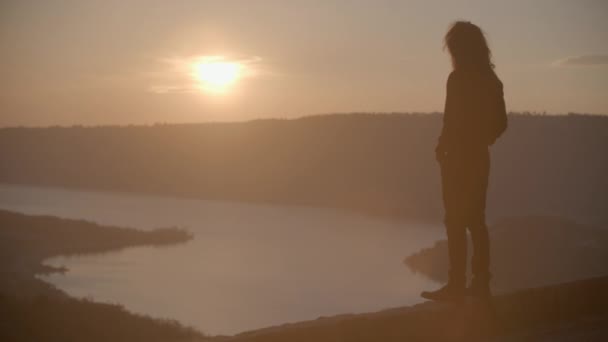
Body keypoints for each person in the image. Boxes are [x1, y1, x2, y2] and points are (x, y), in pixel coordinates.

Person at [421, 21, 507, 302]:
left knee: (457, 221)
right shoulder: (491, 81)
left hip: (458, 159)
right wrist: (481, 139)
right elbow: (500, 124)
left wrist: (444, 147)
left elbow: (450, 121)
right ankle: (479, 284)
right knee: (474, 221)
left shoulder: (457, 79)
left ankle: (458, 285)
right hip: (476, 158)